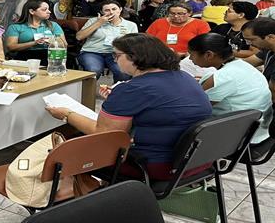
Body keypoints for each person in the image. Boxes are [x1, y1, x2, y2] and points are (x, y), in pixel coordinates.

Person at [45, 33, 211, 180]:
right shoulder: (184, 77)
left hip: (156, 165)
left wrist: (67, 114)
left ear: (134, 57)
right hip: (197, 159)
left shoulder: (132, 89)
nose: (114, 60)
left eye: (116, 55)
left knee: (73, 142)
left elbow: (104, 135)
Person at [187, 33, 272, 143]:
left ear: (208, 55)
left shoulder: (222, 78)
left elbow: (194, 110)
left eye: (191, 54)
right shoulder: (243, 66)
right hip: (256, 130)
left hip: (238, 137)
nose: (189, 58)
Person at [75, 0, 138, 83]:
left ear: (120, 9)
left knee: (123, 72)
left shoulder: (130, 25)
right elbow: (79, 37)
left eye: (114, 9)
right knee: (93, 70)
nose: (111, 12)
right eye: (107, 10)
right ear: (101, 12)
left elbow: (134, 44)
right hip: (92, 52)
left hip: (117, 53)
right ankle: (87, 94)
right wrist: (99, 23)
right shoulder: (93, 21)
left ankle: (116, 92)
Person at [5, 0, 66, 65]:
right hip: (24, 58)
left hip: (50, 56)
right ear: (32, 11)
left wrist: (52, 41)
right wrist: (34, 42)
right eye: (44, 10)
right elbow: (11, 47)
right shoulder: (15, 27)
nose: (49, 12)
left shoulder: (53, 25)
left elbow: (64, 44)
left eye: (48, 9)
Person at [146, 2, 211, 56]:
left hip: (187, 58)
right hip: (159, 56)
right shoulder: (159, 22)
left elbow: (204, 44)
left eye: (180, 14)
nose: (176, 16)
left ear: (190, 13)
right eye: (172, 13)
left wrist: (184, 54)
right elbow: (147, 40)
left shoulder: (201, 24)